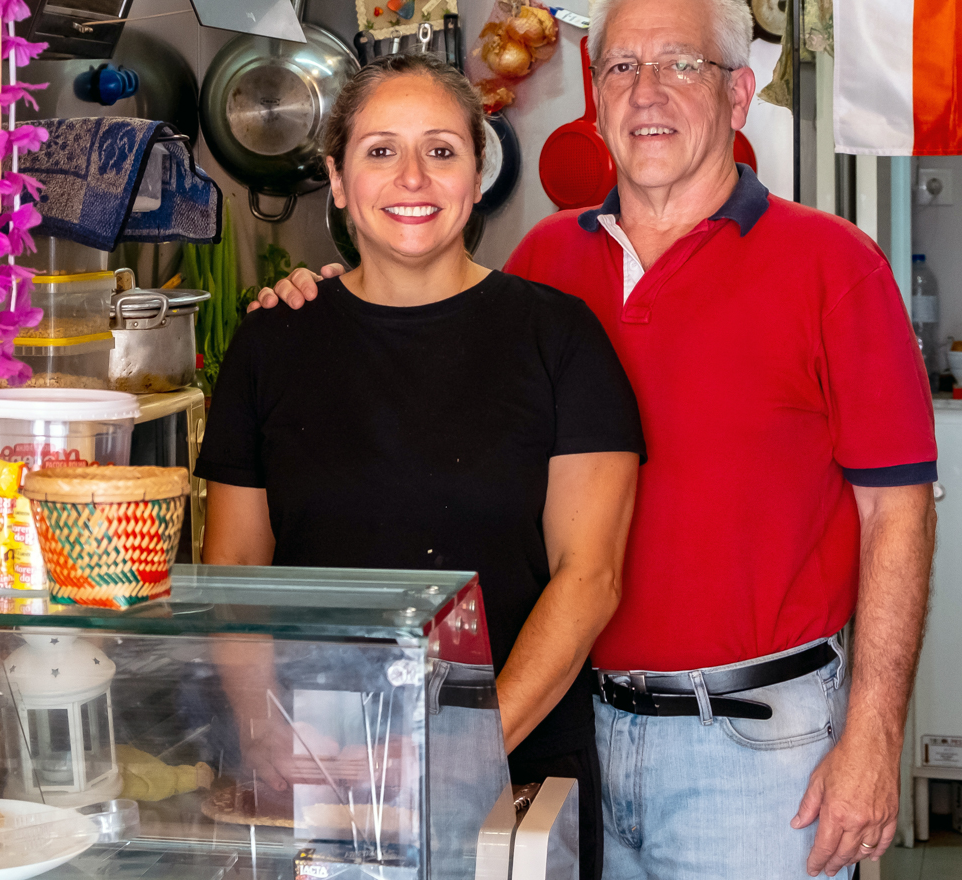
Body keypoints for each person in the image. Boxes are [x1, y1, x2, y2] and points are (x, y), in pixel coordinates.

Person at [250, 0, 937, 880]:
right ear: (596, 97)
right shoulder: (543, 265)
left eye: (680, 64)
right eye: (620, 67)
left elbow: (897, 512)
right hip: (565, 735)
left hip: (756, 753)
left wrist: (874, 736)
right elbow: (430, 350)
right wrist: (329, 299)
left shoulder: (834, 266)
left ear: (738, 94)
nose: (647, 92)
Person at [198, 53, 645, 880]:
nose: (413, 177)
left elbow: (590, 578)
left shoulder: (559, 339)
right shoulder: (272, 343)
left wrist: (461, 752)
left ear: (477, 177)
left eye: (441, 150)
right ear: (338, 182)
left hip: (513, 770)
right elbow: (234, 569)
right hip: (319, 770)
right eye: (380, 151)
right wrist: (270, 741)